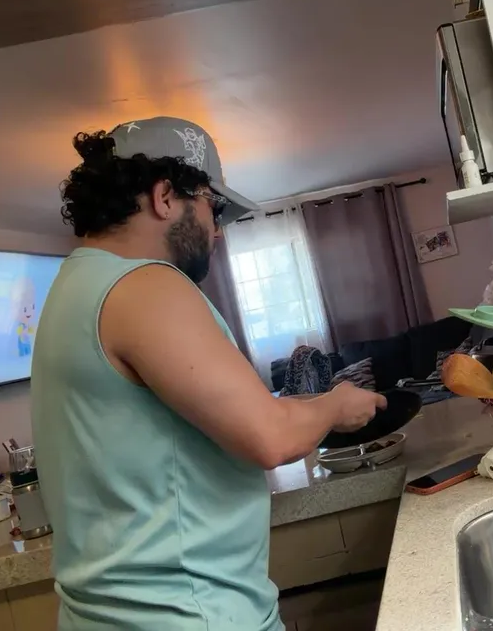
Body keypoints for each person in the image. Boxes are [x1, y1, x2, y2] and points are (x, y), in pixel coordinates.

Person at [31, 117, 385, 631]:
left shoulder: (75, 286)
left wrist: (315, 403)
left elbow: (211, 420)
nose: (218, 231)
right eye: (213, 208)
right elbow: (269, 437)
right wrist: (334, 405)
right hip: (189, 616)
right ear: (164, 197)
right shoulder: (145, 286)